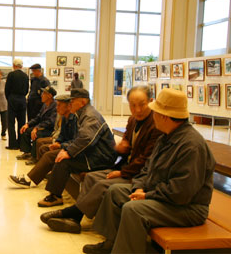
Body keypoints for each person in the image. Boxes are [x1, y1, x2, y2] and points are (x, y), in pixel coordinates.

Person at [83, 88, 216, 254]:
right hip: (162, 195)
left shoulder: (191, 146)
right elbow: (148, 169)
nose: (152, 116)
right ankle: (112, 242)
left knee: (134, 210)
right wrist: (139, 187)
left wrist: (147, 195)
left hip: (187, 208)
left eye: (155, 112)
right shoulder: (166, 136)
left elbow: (182, 192)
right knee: (115, 191)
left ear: (164, 116)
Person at [40, 85, 163, 233]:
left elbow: (146, 159)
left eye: (142, 105)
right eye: (132, 105)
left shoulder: (156, 125)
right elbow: (126, 146)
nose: (137, 110)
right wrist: (121, 149)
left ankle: (73, 213)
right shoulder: (133, 120)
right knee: (91, 178)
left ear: (151, 101)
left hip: (135, 173)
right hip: (125, 166)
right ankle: (76, 218)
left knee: (100, 183)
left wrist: (122, 172)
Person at [38, 88, 118, 207]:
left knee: (64, 161)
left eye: (73, 101)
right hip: (94, 152)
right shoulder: (83, 113)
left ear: (82, 102)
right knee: (61, 157)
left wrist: (69, 152)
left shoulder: (90, 116)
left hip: (101, 157)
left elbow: (86, 138)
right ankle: (54, 193)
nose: (70, 104)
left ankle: (55, 196)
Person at [9, 94, 77, 188]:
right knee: (44, 148)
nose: (57, 108)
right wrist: (58, 142)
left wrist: (61, 145)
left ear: (68, 106)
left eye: (59, 105)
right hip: (66, 145)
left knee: (48, 154)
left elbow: (76, 140)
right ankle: (42, 174)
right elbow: (62, 135)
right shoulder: (65, 117)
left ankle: (28, 180)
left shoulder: (74, 119)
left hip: (72, 149)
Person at [17, 86, 57, 163]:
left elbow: (50, 122)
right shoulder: (45, 105)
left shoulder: (55, 106)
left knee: (37, 135)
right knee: (25, 130)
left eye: (44, 93)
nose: (41, 95)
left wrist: (37, 128)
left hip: (49, 129)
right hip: (42, 127)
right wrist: (27, 124)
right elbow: (38, 117)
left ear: (49, 96)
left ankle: (35, 157)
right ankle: (27, 152)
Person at [5, 59, 29, 150]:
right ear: (21, 66)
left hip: (12, 99)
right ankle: (21, 143)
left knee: (11, 123)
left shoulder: (11, 75)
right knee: (21, 122)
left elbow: (7, 89)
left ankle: (13, 144)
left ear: (14, 65)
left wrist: (9, 98)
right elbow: (27, 89)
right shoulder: (25, 76)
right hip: (22, 99)